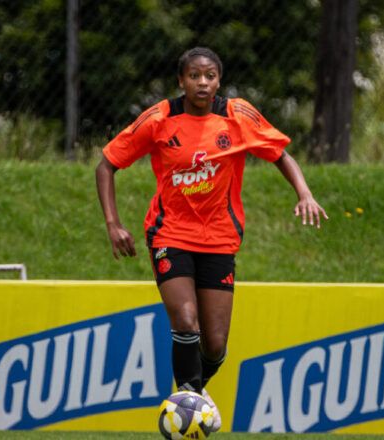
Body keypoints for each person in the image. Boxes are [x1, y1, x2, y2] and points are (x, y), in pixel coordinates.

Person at [95, 47, 327, 431]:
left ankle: (192, 397)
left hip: (220, 239)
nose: (202, 83)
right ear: (181, 81)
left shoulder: (238, 115)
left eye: (209, 76)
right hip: (170, 234)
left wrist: (305, 193)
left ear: (219, 80)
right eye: (194, 76)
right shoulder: (159, 119)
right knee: (186, 322)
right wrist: (112, 223)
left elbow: (281, 154)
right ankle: (187, 416)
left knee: (215, 344)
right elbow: (107, 165)